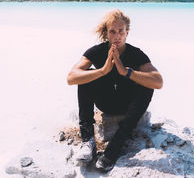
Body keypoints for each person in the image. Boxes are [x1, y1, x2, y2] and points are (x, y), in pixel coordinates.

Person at [67, 9, 163, 172]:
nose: (117, 36)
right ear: (106, 32)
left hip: (128, 106)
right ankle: (88, 140)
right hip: (106, 102)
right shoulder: (97, 51)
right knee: (85, 76)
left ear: (127, 32)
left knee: (148, 83)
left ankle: (116, 145)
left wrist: (126, 72)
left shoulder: (136, 54)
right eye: (112, 31)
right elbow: (71, 77)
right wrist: (102, 71)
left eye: (121, 31)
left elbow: (158, 81)